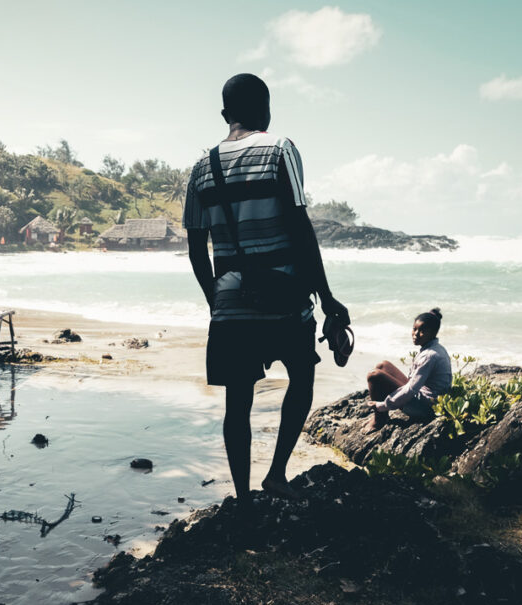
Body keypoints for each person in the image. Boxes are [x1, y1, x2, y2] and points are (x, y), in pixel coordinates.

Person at [184, 73, 348, 502]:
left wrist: (215, 298)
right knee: (303, 376)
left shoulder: (201, 167)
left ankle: (241, 498)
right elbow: (300, 225)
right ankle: (276, 474)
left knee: (237, 402)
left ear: (225, 115)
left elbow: (196, 248)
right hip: (284, 297)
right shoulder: (280, 149)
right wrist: (327, 297)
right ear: (267, 108)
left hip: (230, 304)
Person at [366, 308, 452, 431]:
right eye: (414, 329)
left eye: (422, 330)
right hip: (423, 397)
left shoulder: (429, 355)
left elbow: (411, 389)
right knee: (382, 365)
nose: (416, 334)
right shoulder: (434, 348)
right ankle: (382, 417)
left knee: (374, 376)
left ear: (433, 333)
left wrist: (383, 405)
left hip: (428, 408)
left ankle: (379, 419)